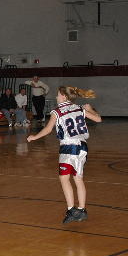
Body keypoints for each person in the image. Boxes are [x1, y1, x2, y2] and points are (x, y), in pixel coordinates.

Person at [27, 87, 101, 223]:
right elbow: (98, 119)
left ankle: (71, 209)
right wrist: (90, 109)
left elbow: (48, 129)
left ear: (64, 97)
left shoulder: (58, 111)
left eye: (58, 95)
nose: (56, 97)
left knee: (64, 178)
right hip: (82, 146)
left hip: (69, 147)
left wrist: (34, 137)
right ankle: (82, 210)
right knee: (78, 179)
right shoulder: (79, 108)